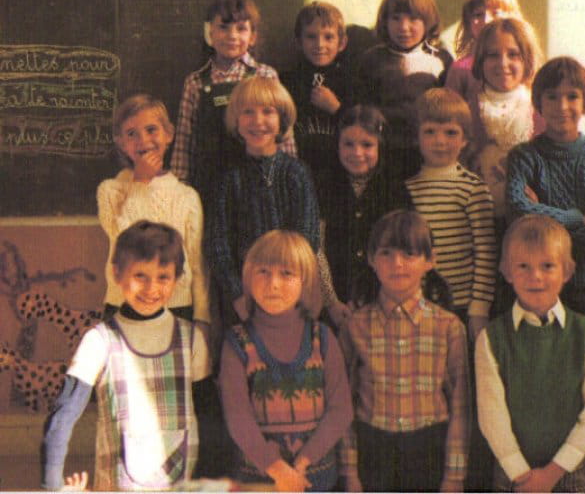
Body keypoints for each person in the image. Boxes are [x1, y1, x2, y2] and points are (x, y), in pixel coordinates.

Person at [41, 221, 212, 491]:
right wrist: (51, 485)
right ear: (117, 274)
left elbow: (211, 416)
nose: (151, 288)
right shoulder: (99, 341)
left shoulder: (191, 339)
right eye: (140, 276)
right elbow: (63, 416)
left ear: (177, 278)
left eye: (163, 277)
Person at [339, 209, 470, 492]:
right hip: (372, 453)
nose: (397, 263)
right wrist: (349, 473)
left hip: (430, 452)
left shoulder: (449, 327)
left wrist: (455, 476)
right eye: (386, 253)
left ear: (430, 260)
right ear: (371, 259)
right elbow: (343, 405)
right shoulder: (355, 326)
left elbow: (460, 406)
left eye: (409, 254)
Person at [476, 214, 585, 492]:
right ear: (507, 272)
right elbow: (491, 414)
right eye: (523, 266)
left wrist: (552, 474)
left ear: (567, 271)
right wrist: (521, 474)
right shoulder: (492, 338)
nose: (535, 276)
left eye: (547, 266)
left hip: (569, 471)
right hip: (512, 473)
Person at [219, 230, 352, 492]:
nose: (274, 284)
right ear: (248, 277)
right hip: (258, 482)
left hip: (315, 479)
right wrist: (277, 470)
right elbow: (238, 417)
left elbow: (341, 410)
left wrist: (303, 462)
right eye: (263, 272)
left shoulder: (323, 338)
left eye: (286, 274)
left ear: (306, 281)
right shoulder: (237, 342)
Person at [506, 56, 585, 314]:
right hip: (537, 288)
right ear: (538, 102)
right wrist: (583, 218)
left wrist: (542, 221)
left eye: (572, 96)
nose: (562, 106)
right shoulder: (523, 157)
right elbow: (518, 213)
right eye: (552, 97)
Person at [208, 75, 319, 325]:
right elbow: (218, 245)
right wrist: (238, 295)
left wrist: (289, 289)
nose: (258, 121)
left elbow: (308, 239)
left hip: (291, 296)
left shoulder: (296, 173)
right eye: (248, 112)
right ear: (236, 121)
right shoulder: (229, 178)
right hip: (243, 303)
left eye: (267, 111)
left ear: (282, 121)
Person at [169, 0, 294, 208]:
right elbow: (184, 142)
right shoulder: (195, 83)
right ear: (210, 33)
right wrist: (180, 191)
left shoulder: (265, 76)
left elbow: (284, 134)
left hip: (258, 187)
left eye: (241, 28)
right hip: (209, 189)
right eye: (223, 27)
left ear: (253, 36)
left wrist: (289, 179)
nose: (232, 35)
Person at [97, 94, 209, 325]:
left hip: (176, 307)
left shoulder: (187, 197)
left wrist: (202, 317)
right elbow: (124, 240)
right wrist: (140, 183)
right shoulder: (110, 191)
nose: (143, 140)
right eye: (131, 133)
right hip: (123, 304)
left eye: (151, 130)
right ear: (121, 143)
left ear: (169, 134)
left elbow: (197, 263)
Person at [405, 88, 497, 341]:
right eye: (430, 132)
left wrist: (479, 308)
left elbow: (486, 253)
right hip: (417, 302)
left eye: (450, 133)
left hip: (462, 305)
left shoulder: (473, 188)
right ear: (417, 137)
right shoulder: (407, 189)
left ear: (465, 139)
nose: (440, 141)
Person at [315, 104, 411, 328]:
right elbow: (315, 247)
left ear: (381, 146)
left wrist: (383, 301)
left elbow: (404, 249)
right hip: (333, 306)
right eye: (348, 144)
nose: (357, 153)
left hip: (386, 305)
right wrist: (331, 303)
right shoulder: (324, 186)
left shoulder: (394, 189)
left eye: (367, 145)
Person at [356, 0, 453, 180]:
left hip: (428, 153)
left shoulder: (441, 60)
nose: (403, 27)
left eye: (413, 19)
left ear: (428, 21)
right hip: (385, 153)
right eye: (396, 18)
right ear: (385, 20)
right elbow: (363, 108)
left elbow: (451, 111)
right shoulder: (372, 60)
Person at [466, 17, 543, 219]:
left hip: (529, 214)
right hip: (480, 215)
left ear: (527, 60)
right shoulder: (470, 107)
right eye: (493, 55)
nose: (503, 63)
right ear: (481, 61)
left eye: (513, 55)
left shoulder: (539, 108)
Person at [280, 1, 353, 180]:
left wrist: (336, 108)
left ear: (342, 43)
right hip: (297, 169)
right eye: (311, 37)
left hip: (340, 170)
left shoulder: (350, 80)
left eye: (328, 37)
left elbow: (361, 125)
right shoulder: (287, 81)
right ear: (299, 41)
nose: (319, 44)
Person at [446, 0, 525, 101]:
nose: (486, 21)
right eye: (478, 15)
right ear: (468, 22)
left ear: (512, 17)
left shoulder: (524, 61)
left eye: (495, 13)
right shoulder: (460, 69)